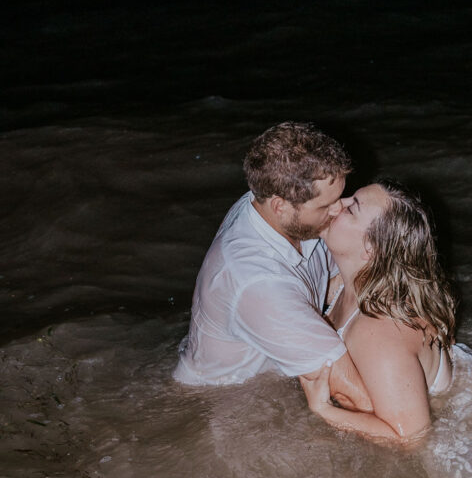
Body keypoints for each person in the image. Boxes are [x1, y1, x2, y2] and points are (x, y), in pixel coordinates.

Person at [173, 122, 373, 412]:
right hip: (224, 403)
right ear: (280, 206)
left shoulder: (266, 205)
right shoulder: (259, 282)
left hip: (263, 375)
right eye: (325, 206)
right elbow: (357, 398)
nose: (339, 209)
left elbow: (342, 279)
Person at [299, 181, 457, 444]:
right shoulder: (348, 284)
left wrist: (323, 410)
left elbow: (410, 438)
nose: (339, 203)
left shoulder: (377, 331)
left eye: (352, 209)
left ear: (370, 249)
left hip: (446, 439)